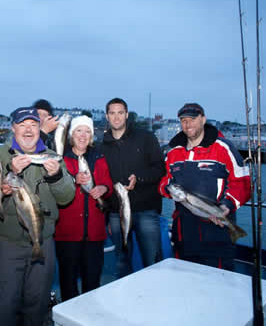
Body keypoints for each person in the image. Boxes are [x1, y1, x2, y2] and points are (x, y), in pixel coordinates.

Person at [0, 106, 75, 326]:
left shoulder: (53, 156)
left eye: (33, 125)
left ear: (40, 128)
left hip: (43, 241)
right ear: (13, 128)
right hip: (7, 244)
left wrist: (56, 175)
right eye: (23, 125)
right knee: (4, 305)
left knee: (37, 305)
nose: (28, 130)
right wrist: (7, 178)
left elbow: (67, 197)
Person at [158, 103, 251, 270]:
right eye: (184, 120)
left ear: (203, 119)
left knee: (220, 282)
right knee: (186, 280)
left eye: (192, 119)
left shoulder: (223, 148)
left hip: (217, 229)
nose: (188, 125)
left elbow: (242, 183)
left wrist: (226, 205)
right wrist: (168, 189)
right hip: (184, 231)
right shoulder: (173, 152)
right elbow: (163, 180)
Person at [101, 97, 165, 278]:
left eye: (120, 113)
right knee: (121, 262)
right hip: (116, 213)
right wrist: (106, 216)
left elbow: (160, 169)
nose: (116, 117)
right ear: (107, 116)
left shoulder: (146, 138)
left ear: (127, 115)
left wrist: (140, 178)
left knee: (153, 262)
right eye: (112, 113)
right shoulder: (101, 146)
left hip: (146, 211)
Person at [54, 115, 113, 301]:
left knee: (92, 282)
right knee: (68, 281)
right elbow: (54, 188)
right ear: (71, 134)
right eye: (79, 130)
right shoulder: (60, 158)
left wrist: (104, 188)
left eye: (87, 131)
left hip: (94, 233)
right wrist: (74, 180)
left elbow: (108, 185)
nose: (83, 135)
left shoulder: (99, 157)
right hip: (67, 233)